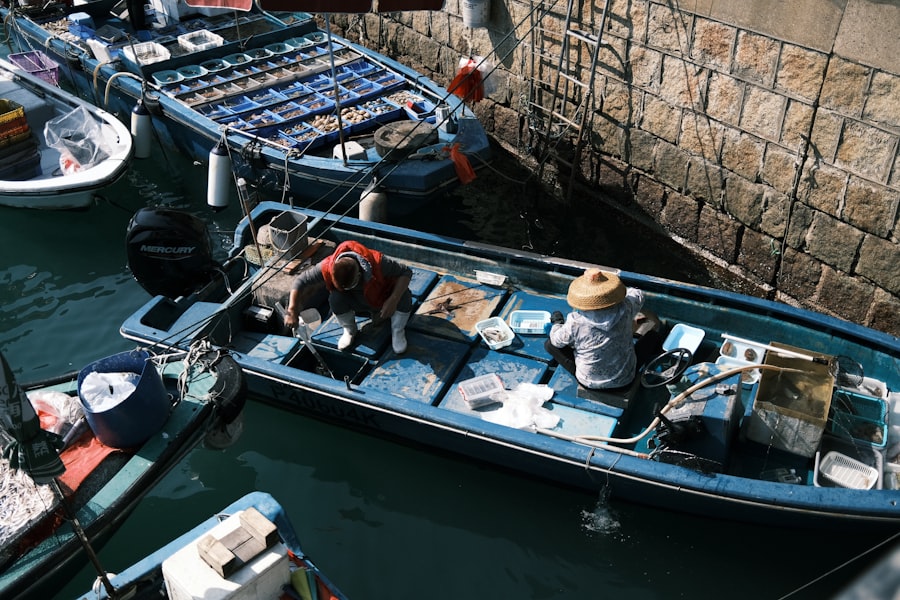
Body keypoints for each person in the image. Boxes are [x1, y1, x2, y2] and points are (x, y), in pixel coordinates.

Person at [284, 240, 413, 354]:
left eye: (349, 286)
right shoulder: (327, 266)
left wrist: (393, 300)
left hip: (383, 298)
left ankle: (398, 331)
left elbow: (406, 271)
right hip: (359, 302)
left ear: (358, 275)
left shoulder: (379, 262)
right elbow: (300, 281)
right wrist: (292, 310)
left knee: (404, 295)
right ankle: (350, 330)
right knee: (335, 298)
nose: (344, 289)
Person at [544, 268, 644, 391]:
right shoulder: (626, 307)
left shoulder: (575, 321)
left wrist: (557, 324)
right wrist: (618, 293)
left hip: (589, 382)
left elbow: (556, 341)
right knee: (653, 337)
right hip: (625, 379)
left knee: (549, 344)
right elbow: (638, 294)